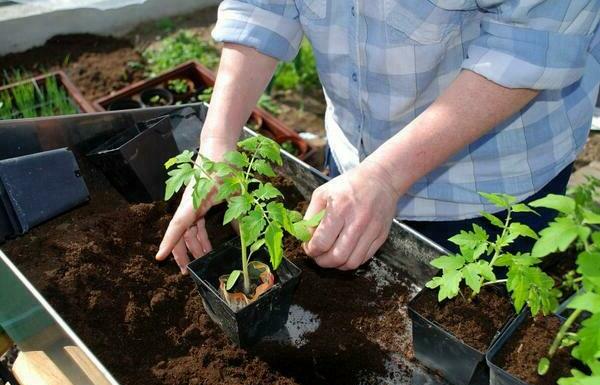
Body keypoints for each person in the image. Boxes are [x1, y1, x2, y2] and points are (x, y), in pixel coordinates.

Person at [156, 0, 600, 273]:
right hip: (355, 158)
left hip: (491, 183)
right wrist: (218, 145)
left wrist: (387, 177)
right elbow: (263, 6)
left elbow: (527, 43)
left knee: (471, 347)